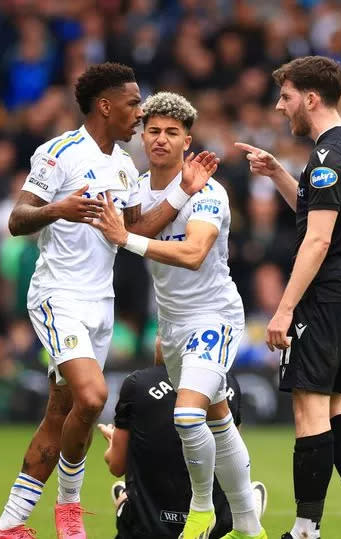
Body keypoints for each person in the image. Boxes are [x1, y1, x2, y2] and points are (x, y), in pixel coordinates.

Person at [0, 62, 215, 539]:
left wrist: (182, 192)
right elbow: (17, 219)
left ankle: (10, 523)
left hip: (100, 301)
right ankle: (69, 511)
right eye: (134, 103)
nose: (140, 112)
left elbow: (133, 233)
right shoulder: (59, 153)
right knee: (92, 397)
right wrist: (59, 209)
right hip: (58, 296)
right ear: (106, 106)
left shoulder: (123, 166)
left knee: (63, 413)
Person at [92, 91, 265, 539]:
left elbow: (191, 253)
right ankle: (249, 519)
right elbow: (135, 229)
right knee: (217, 418)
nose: (162, 139)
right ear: (143, 137)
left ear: (187, 141)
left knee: (187, 416)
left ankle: (202, 509)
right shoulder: (135, 188)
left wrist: (124, 239)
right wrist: (126, 233)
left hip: (215, 317)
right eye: (154, 131)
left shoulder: (209, 191)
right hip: (170, 323)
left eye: (172, 132)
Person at [234, 55, 341, 539]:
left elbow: (318, 240)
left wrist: (283, 308)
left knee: (309, 411)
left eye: (287, 97)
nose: (281, 108)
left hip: (325, 295)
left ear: (311, 99)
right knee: (335, 408)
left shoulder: (326, 155)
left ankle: (304, 529)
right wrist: (280, 175)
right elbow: (327, 215)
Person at [98, 339, 268, 539]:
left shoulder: (137, 384)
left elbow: (117, 466)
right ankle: (246, 512)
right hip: (218, 529)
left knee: (128, 490)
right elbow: (230, 458)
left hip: (147, 529)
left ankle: (125, 501)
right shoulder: (227, 383)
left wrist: (113, 447)